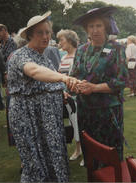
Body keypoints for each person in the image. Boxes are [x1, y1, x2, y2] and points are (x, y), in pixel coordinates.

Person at [7, 12, 79, 182]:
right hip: (29, 118)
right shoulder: (20, 55)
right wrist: (63, 78)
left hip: (48, 120)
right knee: (35, 161)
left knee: (53, 157)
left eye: (48, 32)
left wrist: (60, 91)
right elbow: (34, 71)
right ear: (30, 34)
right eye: (40, 32)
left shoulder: (44, 57)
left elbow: (46, 82)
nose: (46, 36)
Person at [71, 6, 129, 167]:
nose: (95, 30)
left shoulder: (117, 49)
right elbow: (74, 74)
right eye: (91, 26)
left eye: (98, 25)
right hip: (85, 111)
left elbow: (121, 81)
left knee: (109, 154)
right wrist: (77, 84)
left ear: (106, 26)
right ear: (86, 29)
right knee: (91, 155)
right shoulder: (81, 50)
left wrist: (94, 88)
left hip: (108, 112)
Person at [57, 29, 82, 164]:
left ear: (70, 40)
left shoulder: (79, 56)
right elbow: (60, 76)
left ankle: (83, 149)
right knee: (72, 123)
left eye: (62, 39)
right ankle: (78, 149)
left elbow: (79, 77)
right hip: (66, 96)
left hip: (77, 96)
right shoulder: (63, 57)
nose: (60, 42)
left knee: (79, 123)